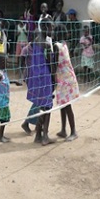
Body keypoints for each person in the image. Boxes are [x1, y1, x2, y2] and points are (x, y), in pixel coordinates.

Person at [27, 18, 56, 146]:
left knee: (41, 106)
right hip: (45, 76)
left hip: (36, 76)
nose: (52, 30)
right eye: (51, 27)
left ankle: (38, 135)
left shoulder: (36, 40)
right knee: (48, 106)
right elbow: (51, 62)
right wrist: (54, 78)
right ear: (45, 28)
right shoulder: (46, 43)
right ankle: (45, 136)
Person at [53, 24, 80, 141]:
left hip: (64, 79)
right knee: (63, 104)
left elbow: (54, 64)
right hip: (67, 77)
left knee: (67, 105)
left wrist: (52, 78)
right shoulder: (64, 44)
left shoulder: (56, 46)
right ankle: (63, 129)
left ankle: (73, 131)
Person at [16, 16, 29, 81]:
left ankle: (24, 72)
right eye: (20, 19)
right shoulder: (18, 26)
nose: (21, 20)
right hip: (19, 42)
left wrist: (25, 31)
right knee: (18, 56)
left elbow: (28, 34)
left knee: (24, 57)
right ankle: (18, 69)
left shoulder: (26, 25)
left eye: (22, 19)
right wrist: (17, 33)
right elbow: (16, 34)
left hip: (25, 42)